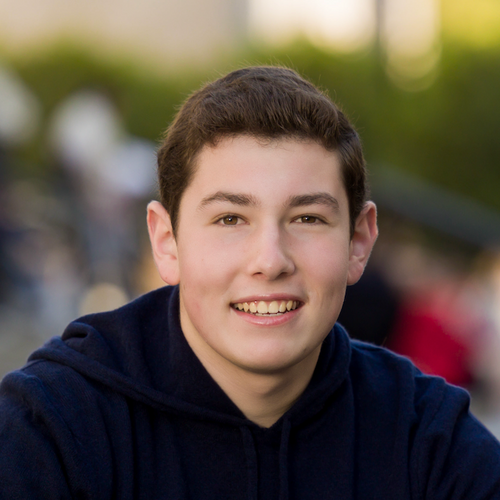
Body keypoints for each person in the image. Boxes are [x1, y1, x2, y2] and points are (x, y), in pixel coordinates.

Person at [0, 66, 499, 499]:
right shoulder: (52, 431)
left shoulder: (427, 439)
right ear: (167, 241)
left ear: (360, 241)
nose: (269, 260)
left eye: (306, 219)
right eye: (230, 219)